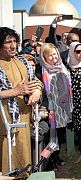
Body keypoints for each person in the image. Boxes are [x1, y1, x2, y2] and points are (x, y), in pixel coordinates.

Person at [0, 27, 42, 177]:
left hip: (24, 120)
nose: (13, 45)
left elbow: (36, 82)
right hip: (4, 124)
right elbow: (17, 90)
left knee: (24, 162)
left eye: (15, 41)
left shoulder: (22, 61)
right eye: (8, 42)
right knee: (6, 165)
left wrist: (36, 92)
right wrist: (15, 92)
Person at [39, 43, 73, 171]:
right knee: (50, 137)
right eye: (50, 56)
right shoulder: (41, 70)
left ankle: (56, 157)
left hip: (62, 108)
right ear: (44, 57)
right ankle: (48, 162)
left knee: (59, 134)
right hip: (50, 110)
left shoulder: (62, 67)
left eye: (55, 54)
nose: (53, 58)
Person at [67, 42, 81, 164]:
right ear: (72, 52)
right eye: (78, 51)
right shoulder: (67, 68)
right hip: (74, 104)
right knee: (80, 129)